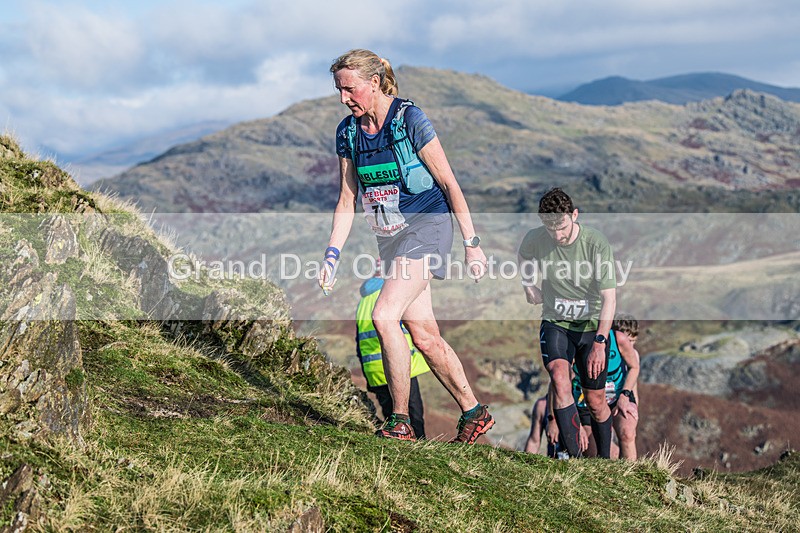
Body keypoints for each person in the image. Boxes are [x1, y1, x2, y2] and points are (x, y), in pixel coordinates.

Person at [319, 49, 494, 443]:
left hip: (428, 229)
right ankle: (473, 411)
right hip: (391, 240)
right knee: (424, 335)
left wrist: (472, 244)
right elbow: (347, 200)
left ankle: (400, 422)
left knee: (384, 314)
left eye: (349, 89)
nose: (344, 98)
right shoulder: (347, 133)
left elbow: (449, 184)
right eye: (339, 91)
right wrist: (332, 254)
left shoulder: (409, 119)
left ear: (374, 82)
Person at [518, 188, 617, 458]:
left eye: (562, 227)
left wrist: (600, 341)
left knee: (596, 402)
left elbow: (610, 298)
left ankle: (605, 461)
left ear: (574, 215)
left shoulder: (596, 244)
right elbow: (524, 255)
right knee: (560, 379)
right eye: (550, 229)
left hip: (590, 329)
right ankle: (575, 461)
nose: (558, 235)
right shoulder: (536, 238)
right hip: (556, 321)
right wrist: (529, 285)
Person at [356, 262, 430, 439]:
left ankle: (398, 458)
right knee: (413, 418)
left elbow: (359, 344)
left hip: (375, 373)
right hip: (400, 368)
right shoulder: (392, 295)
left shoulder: (364, 301)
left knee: (393, 421)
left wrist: (368, 376)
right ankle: (421, 455)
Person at [572, 314, 640, 459]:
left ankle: (630, 477)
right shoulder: (574, 341)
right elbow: (559, 384)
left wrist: (625, 396)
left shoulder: (619, 339)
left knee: (627, 433)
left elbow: (634, 367)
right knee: (594, 452)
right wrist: (571, 421)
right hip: (586, 405)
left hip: (617, 398)